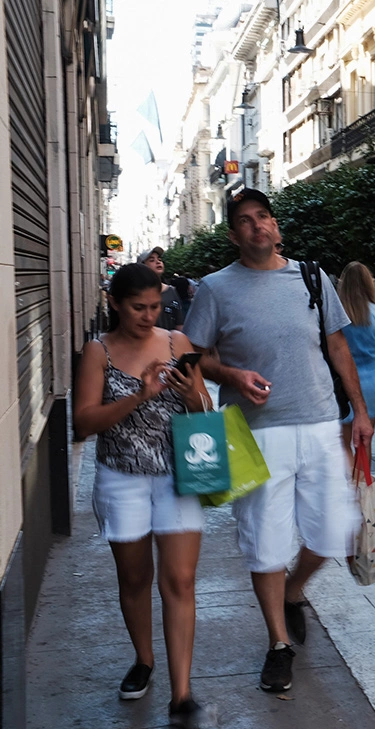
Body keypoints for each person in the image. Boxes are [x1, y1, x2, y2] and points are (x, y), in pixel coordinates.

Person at [184, 188, 370, 693]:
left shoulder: (311, 277)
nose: (256, 226)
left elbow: (336, 344)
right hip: (253, 433)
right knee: (266, 545)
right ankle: (278, 644)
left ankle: (293, 591)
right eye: (244, 221)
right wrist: (233, 374)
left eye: (262, 216)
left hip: (318, 423)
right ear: (233, 234)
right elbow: (193, 355)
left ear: (275, 223)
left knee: (332, 533)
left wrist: (360, 410)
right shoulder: (216, 288)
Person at [73, 263, 214, 728]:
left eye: (155, 306)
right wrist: (141, 393)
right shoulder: (99, 351)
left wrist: (191, 392)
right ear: (115, 303)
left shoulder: (177, 344)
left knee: (180, 581)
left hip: (178, 476)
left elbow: (205, 410)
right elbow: (84, 422)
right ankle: (144, 659)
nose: (148, 316)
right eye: (138, 307)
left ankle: (182, 693)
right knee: (135, 579)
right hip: (121, 477)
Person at [336, 261, 375, 457]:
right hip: (373, 383)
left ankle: (349, 486)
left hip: (342, 386)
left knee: (344, 443)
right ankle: (364, 486)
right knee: (364, 442)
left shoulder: (335, 315)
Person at [138, 246, 185, 331]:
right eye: (152, 260)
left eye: (159, 259)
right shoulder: (136, 292)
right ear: (142, 266)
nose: (158, 262)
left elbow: (179, 323)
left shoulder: (171, 291)